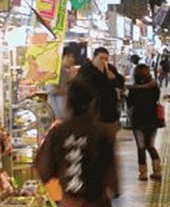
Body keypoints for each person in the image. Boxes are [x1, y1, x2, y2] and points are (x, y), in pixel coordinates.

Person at [34, 77, 119, 207]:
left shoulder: (57, 132)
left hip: (69, 201)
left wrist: (58, 198)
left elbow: (44, 169)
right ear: (93, 103)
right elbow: (112, 179)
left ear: (68, 103)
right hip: (97, 203)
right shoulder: (101, 132)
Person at [77, 47, 125, 140]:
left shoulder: (110, 68)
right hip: (93, 114)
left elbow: (120, 84)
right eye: (101, 58)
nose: (103, 61)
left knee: (109, 140)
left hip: (110, 114)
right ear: (94, 58)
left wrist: (113, 78)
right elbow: (81, 89)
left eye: (106, 59)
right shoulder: (85, 70)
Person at [127, 64, 162, 181]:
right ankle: (157, 171)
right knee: (151, 146)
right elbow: (157, 99)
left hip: (138, 121)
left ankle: (143, 173)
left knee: (141, 147)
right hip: (152, 120)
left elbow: (129, 104)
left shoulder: (134, 90)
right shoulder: (154, 87)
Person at [48, 47, 77, 119]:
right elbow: (51, 90)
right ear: (61, 57)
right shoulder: (54, 71)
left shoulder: (65, 72)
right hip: (57, 112)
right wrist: (69, 90)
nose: (71, 59)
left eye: (72, 57)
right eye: (68, 56)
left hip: (66, 112)